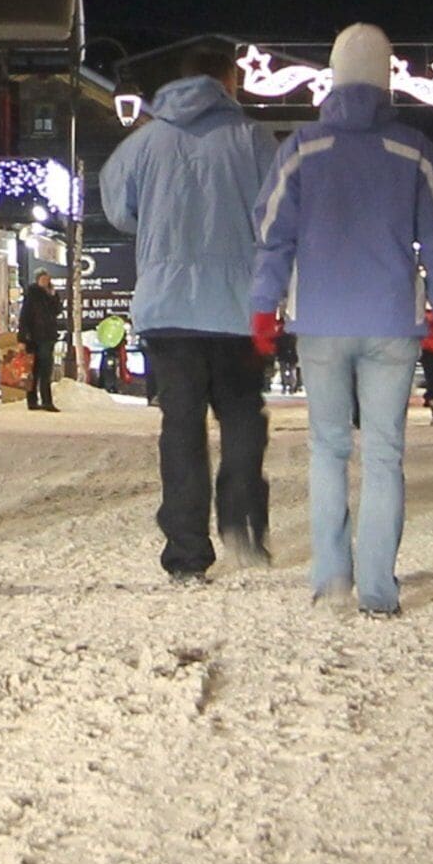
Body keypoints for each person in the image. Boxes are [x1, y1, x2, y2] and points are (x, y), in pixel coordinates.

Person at [250, 24, 433, 618]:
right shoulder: (415, 150)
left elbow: (272, 237)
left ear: (335, 76)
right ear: (387, 78)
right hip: (393, 321)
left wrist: (265, 307)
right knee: (384, 454)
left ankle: (329, 579)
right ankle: (377, 588)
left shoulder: (301, 149)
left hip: (319, 319)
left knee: (326, 449)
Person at [97, 41, 281, 584]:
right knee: (244, 414)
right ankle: (243, 524)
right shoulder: (254, 140)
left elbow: (117, 209)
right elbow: (278, 214)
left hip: (168, 308)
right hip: (237, 306)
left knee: (181, 427)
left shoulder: (142, 142)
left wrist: (159, 231)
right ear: (231, 82)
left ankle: (185, 552)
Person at [17, 275, 63, 411]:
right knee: (34, 370)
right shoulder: (32, 295)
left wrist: (53, 296)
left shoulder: (51, 294)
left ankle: (46, 401)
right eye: (42, 279)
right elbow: (24, 317)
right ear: (37, 280)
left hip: (47, 337)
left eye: (47, 279)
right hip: (33, 337)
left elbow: (57, 311)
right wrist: (22, 339)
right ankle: (33, 401)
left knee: (45, 370)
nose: (45, 282)